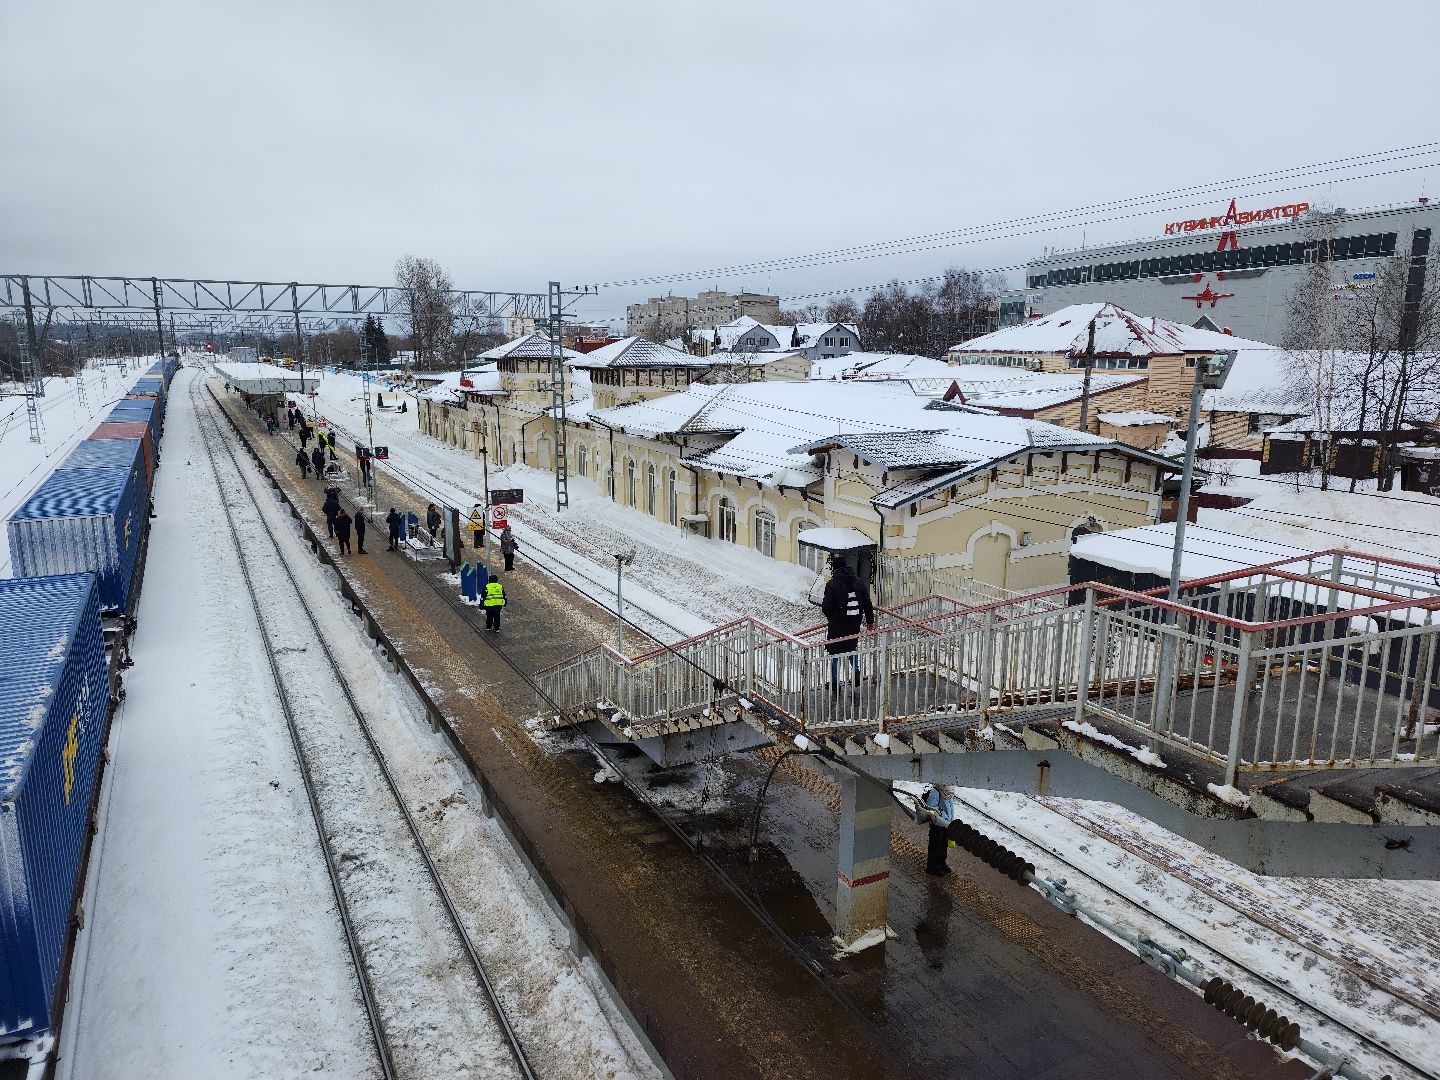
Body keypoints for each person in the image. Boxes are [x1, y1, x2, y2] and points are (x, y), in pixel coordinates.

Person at [821, 557, 875, 693]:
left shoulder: (832, 584)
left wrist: (832, 617)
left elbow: (826, 607)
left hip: (837, 626)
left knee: (834, 653)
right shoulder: (859, 583)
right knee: (851, 647)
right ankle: (856, 672)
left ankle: (834, 683)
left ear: (834, 569)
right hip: (854, 624)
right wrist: (870, 622)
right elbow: (868, 604)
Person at [922, 785, 955, 876]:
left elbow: (951, 808)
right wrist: (944, 817)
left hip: (946, 823)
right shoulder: (935, 792)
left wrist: (950, 820)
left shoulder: (949, 792)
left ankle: (941, 863)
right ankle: (932, 867)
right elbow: (932, 809)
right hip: (937, 823)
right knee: (935, 845)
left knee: (944, 844)